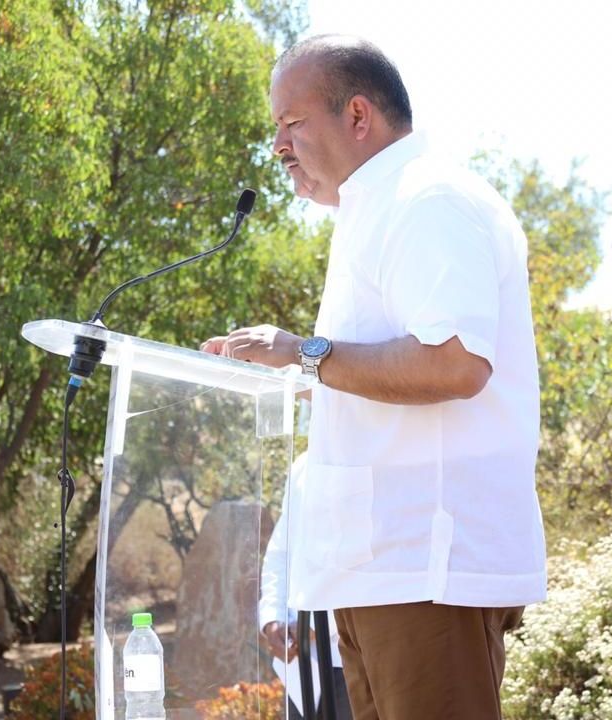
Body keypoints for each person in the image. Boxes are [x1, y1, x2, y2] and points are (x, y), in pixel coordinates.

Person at [201, 35, 546, 720]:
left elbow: (454, 363)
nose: (278, 146)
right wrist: (290, 375)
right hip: (375, 574)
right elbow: (376, 374)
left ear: (358, 115)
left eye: (291, 123)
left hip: (425, 575)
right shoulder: (376, 209)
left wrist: (304, 353)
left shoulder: (429, 199)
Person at [259, 450, 353, 720]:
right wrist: (273, 618)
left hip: (349, 659)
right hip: (301, 665)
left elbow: (366, 560)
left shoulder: (370, 454)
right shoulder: (303, 464)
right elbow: (281, 551)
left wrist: (311, 626)